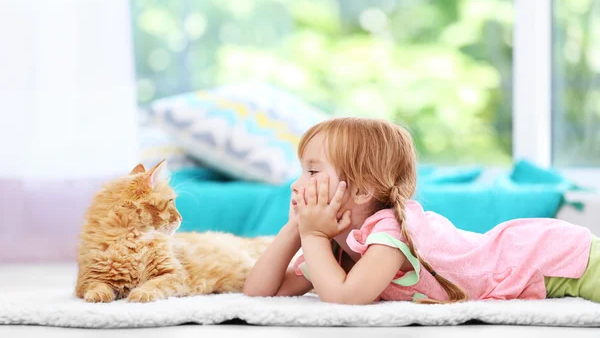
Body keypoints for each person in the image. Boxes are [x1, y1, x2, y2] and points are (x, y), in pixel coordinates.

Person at [243, 117, 598, 304]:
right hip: (540, 262)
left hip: (548, 258)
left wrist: (311, 234)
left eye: (313, 171)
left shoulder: (390, 231)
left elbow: (345, 298)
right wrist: (294, 230)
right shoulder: (336, 244)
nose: (296, 183)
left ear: (364, 189)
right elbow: (258, 293)